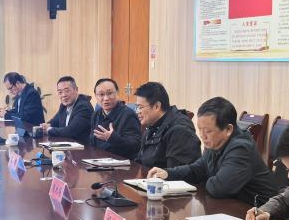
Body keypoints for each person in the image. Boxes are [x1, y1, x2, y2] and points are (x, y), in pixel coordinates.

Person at [148, 96, 276, 202]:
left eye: (208, 131)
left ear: (228, 129)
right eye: (200, 130)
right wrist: (168, 173)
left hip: (261, 214)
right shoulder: (214, 142)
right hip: (232, 208)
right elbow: (197, 169)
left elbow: (219, 188)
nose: (202, 136)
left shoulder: (241, 148)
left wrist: (204, 179)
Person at [134, 81, 200, 169]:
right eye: (137, 107)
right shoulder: (152, 125)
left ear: (157, 106)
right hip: (149, 176)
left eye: (140, 107)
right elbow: (140, 161)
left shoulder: (179, 131)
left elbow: (175, 174)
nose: (137, 111)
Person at [89, 78, 141, 159]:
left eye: (110, 93)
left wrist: (113, 138)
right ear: (96, 96)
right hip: (99, 160)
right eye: (101, 94)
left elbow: (135, 145)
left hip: (121, 162)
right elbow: (92, 142)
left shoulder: (128, 115)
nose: (106, 98)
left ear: (117, 93)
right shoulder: (96, 114)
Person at [40, 76, 93, 142]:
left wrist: (48, 129)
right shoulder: (63, 106)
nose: (63, 95)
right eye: (60, 92)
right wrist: (45, 126)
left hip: (82, 147)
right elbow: (54, 122)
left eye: (67, 91)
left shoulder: (84, 107)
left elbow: (71, 131)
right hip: (67, 145)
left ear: (76, 90)